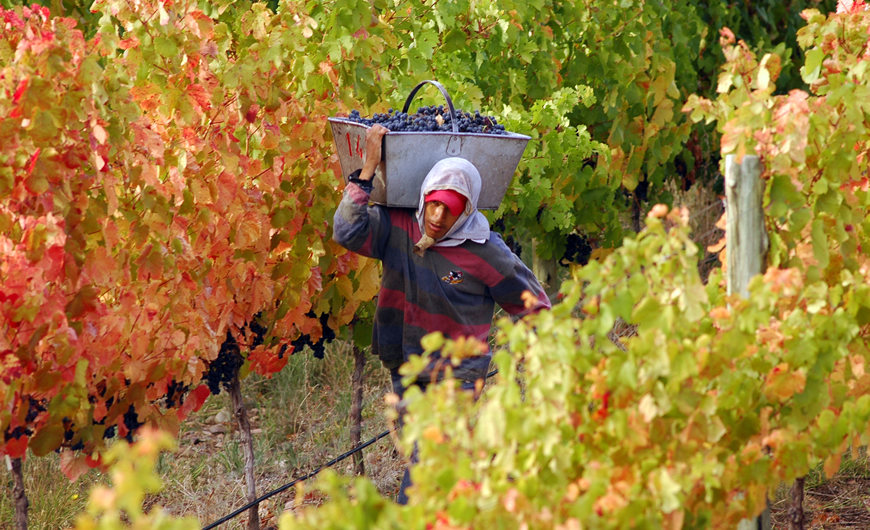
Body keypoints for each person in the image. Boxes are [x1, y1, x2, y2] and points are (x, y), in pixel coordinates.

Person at [332, 123, 551, 504]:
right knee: (424, 456)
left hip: (456, 376)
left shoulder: (485, 251)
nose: (435, 217)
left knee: (426, 467)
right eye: (432, 203)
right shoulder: (399, 227)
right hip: (404, 361)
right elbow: (346, 232)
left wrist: (541, 359)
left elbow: (533, 304)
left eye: (448, 210)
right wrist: (367, 170)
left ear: (466, 210)